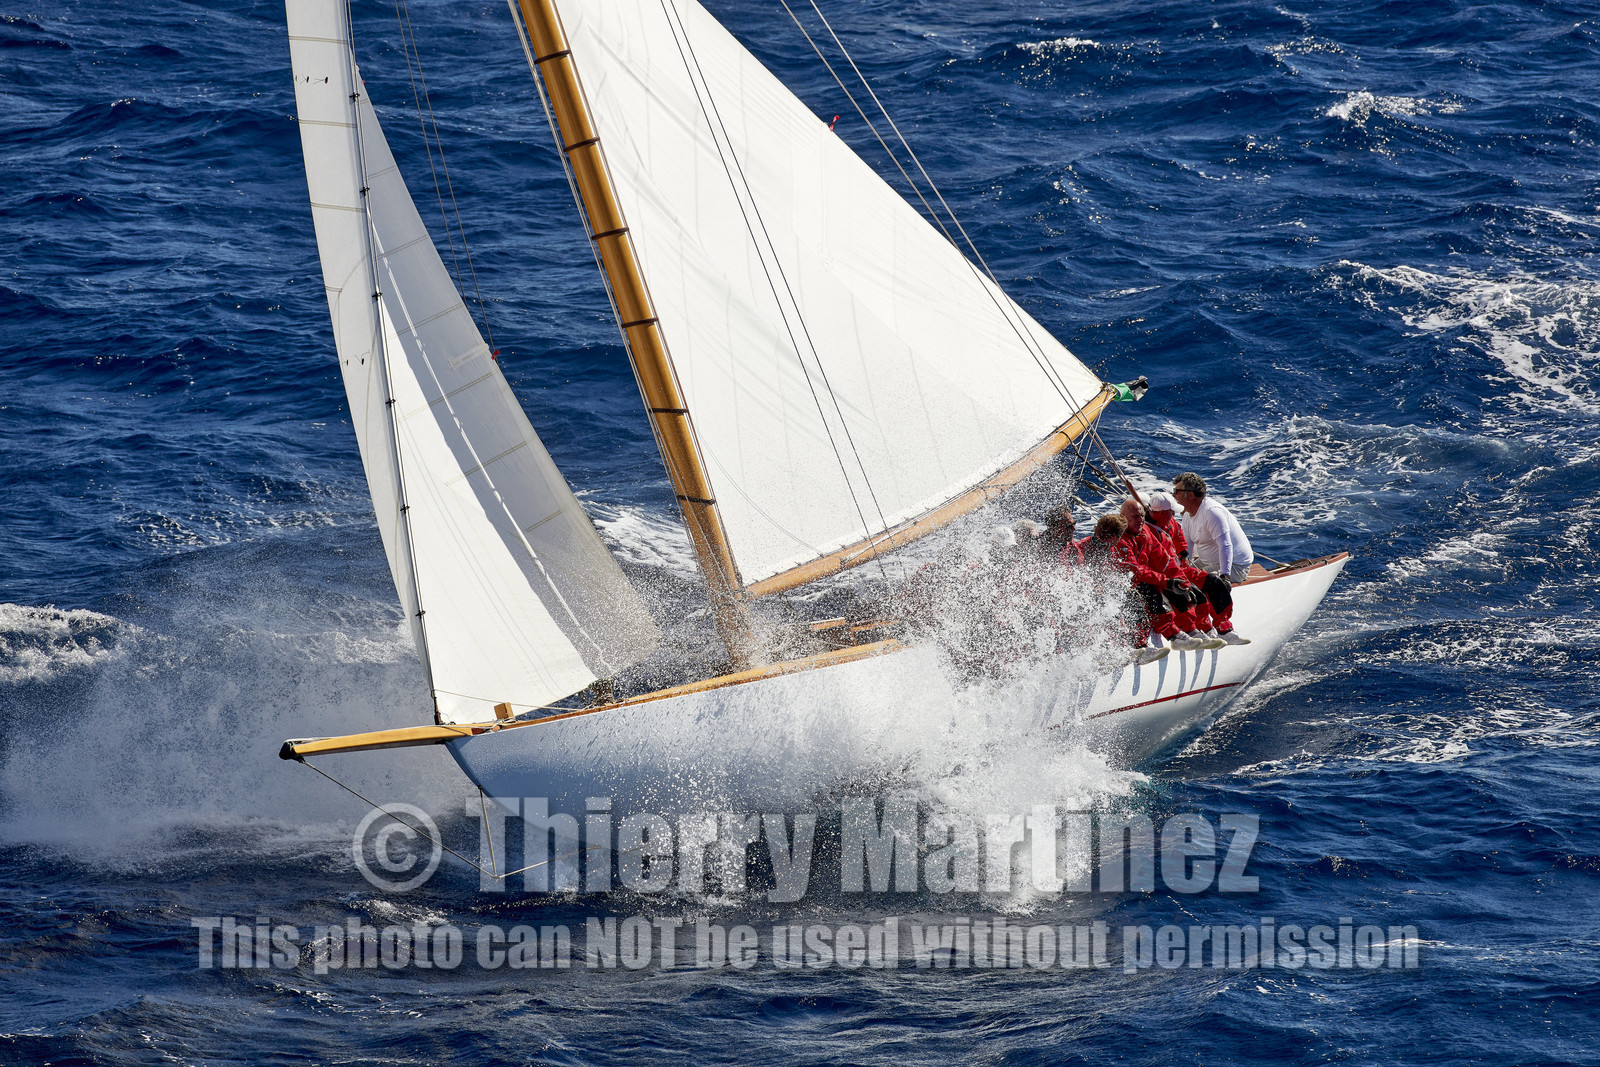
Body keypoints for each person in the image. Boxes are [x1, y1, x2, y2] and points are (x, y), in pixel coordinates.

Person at [1069, 513, 1167, 665]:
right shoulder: (1081, 547)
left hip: (1103, 592)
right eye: (1119, 536)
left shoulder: (1110, 549)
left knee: (1133, 598)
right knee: (1107, 604)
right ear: (1114, 536)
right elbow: (1075, 576)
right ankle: (1111, 652)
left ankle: (1139, 647)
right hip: (1083, 597)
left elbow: (1118, 571)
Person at [1170, 473, 1253, 645]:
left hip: (1234, 566)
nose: (1173, 495)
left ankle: (1222, 629)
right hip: (1207, 561)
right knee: (1181, 579)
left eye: (1176, 491)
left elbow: (1225, 545)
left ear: (1190, 494)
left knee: (1208, 583)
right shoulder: (1187, 515)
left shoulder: (1211, 513)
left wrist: (1225, 576)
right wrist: (1182, 570)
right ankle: (1192, 626)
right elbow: (1187, 550)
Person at [1145, 492, 1224, 642]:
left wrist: (1183, 554)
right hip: (1161, 574)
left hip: (1177, 568)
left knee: (1204, 589)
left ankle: (1207, 627)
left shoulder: (1169, 522)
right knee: (1183, 595)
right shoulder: (1146, 531)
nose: (1174, 513)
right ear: (1160, 513)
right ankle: (1189, 630)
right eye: (1171, 511)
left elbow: (1178, 536)